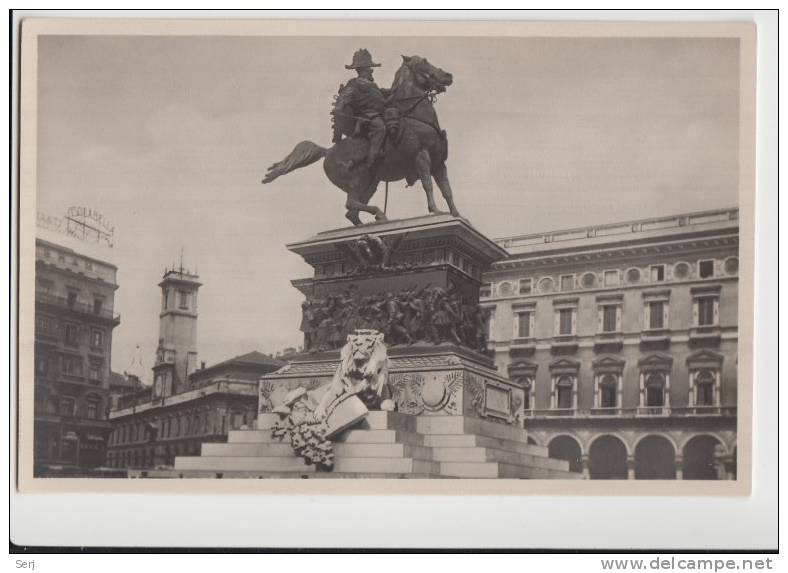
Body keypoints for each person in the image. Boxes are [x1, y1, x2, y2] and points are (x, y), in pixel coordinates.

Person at [336, 49, 390, 169]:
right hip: (367, 117)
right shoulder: (354, 85)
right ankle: (370, 161)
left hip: (380, 114)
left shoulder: (372, 85)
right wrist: (340, 106)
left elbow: (382, 94)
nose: (371, 72)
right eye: (369, 70)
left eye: (371, 69)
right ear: (362, 71)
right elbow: (343, 98)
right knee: (380, 128)